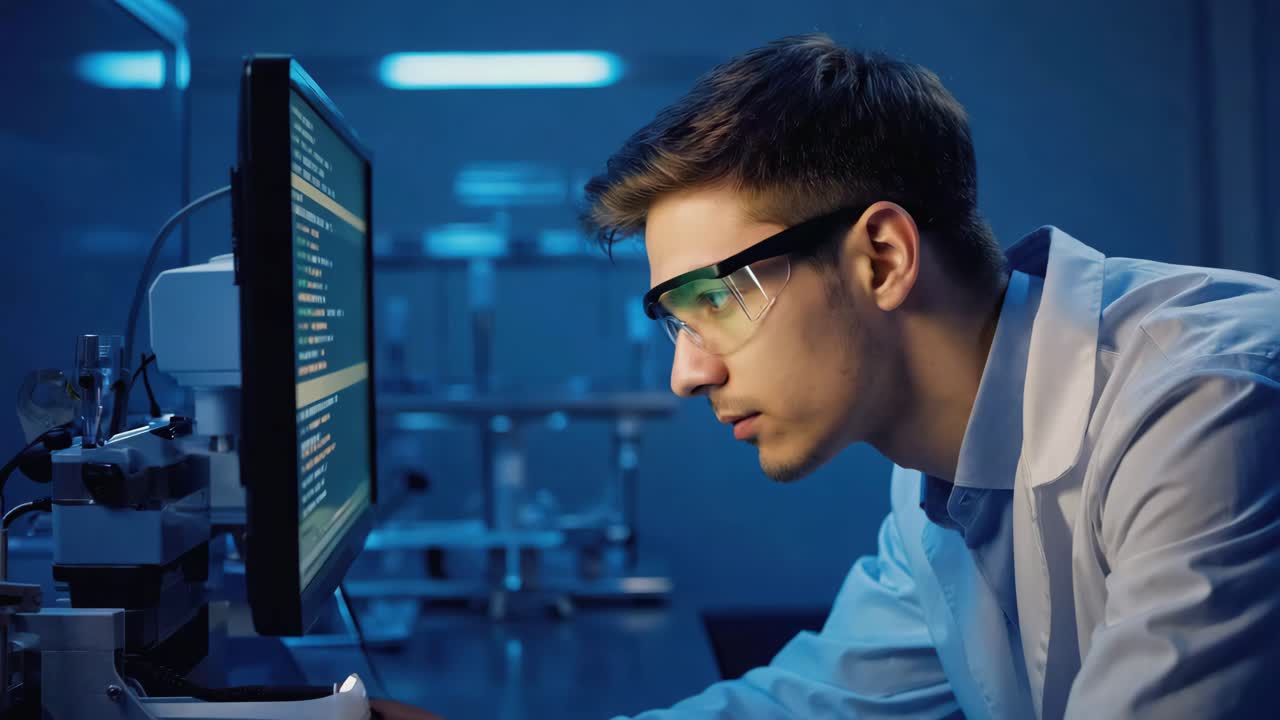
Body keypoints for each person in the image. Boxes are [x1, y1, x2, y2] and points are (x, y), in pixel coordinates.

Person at [581, 33, 1280, 719]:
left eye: (715, 300)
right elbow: (814, 702)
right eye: (677, 319)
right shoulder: (940, 479)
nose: (687, 375)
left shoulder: (1207, 403)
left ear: (882, 258)